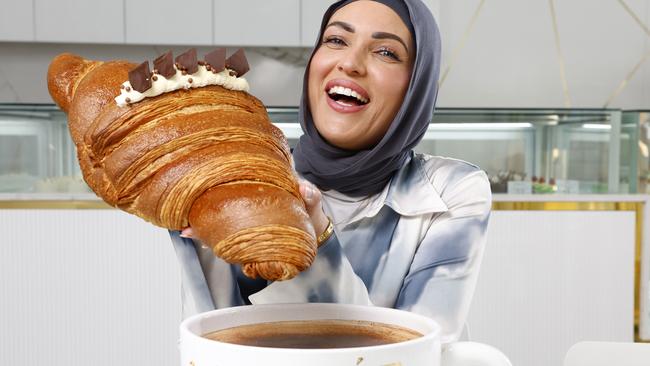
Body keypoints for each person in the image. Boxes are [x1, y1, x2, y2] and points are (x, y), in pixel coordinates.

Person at [170, 0, 491, 343]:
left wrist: (315, 236)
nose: (350, 63)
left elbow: (417, 353)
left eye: (385, 52)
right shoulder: (242, 178)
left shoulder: (451, 192)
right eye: (336, 40)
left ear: (417, 86)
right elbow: (212, 341)